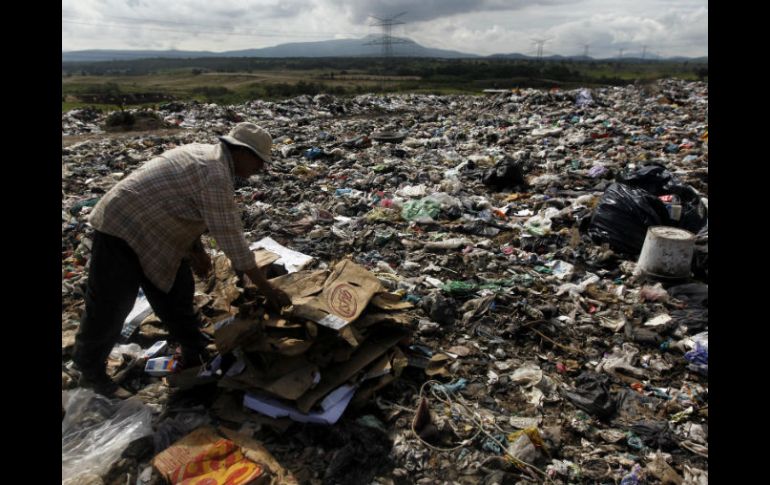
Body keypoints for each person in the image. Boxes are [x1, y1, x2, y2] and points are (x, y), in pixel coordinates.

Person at [71, 122, 290, 397]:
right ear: (243, 152)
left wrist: (196, 250)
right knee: (111, 305)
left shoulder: (207, 155)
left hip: (157, 233)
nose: (261, 170)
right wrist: (267, 289)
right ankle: (89, 372)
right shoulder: (215, 175)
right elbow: (234, 245)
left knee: (176, 290)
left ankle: (194, 349)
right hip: (122, 227)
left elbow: (182, 203)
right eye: (260, 162)